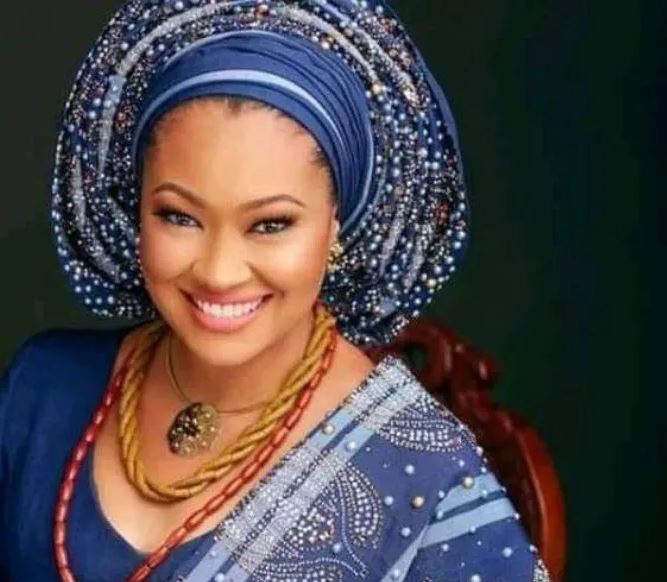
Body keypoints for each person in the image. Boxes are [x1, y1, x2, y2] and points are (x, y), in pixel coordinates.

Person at [0, 1, 551, 581]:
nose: (219, 272)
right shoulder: (44, 390)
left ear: (337, 224)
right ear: (137, 209)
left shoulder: (417, 470)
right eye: (179, 216)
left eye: (270, 224)